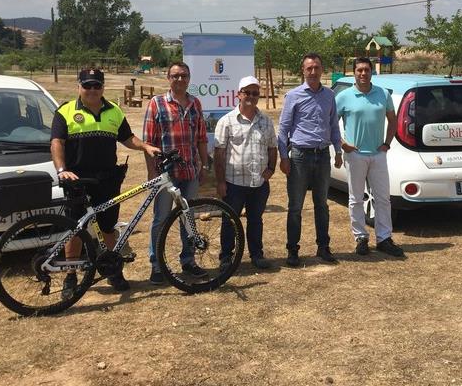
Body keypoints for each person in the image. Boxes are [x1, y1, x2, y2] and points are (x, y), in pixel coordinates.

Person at [52, 68, 160, 298]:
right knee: (75, 230)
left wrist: (145, 146)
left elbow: (127, 138)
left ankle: (112, 270)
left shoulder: (114, 111)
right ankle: (70, 276)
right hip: (77, 180)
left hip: (107, 179)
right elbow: (57, 142)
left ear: (103, 87)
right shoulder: (66, 111)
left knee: (108, 226)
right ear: (79, 86)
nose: (92, 90)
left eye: (96, 85)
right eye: (87, 85)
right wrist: (62, 170)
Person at [143, 62, 209, 284]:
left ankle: (188, 261)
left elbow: (201, 138)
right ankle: (157, 264)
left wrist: (204, 165)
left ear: (189, 78)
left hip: (190, 171)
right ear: (168, 78)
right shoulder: (157, 103)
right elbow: (148, 142)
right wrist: (151, 172)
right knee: (161, 219)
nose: (180, 79)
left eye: (184, 75)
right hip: (165, 175)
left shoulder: (195, 103)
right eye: (175, 76)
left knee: (188, 218)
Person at [336, 57, 405, 258]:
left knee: (383, 198)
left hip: (378, 154)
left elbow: (393, 120)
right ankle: (361, 238)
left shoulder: (383, 94)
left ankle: (384, 238)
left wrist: (387, 144)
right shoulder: (344, 96)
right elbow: (330, 124)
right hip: (355, 155)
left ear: (371, 72)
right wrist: (342, 144)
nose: (363, 73)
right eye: (359, 70)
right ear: (354, 72)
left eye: (366, 70)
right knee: (356, 199)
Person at [277, 52, 342, 266]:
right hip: (299, 157)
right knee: (295, 206)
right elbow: (283, 129)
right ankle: (292, 250)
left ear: (322, 70)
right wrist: (284, 157)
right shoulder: (293, 96)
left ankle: (323, 247)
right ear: (303, 71)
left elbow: (333, 126)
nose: (313, 72)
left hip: (322, 155)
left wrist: (338, 151)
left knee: (321, 204)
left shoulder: (329, 95)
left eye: (317, 67)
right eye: (309, 68)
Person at [214, 76, 277, 269]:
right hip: (233, 183)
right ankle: (226, 257)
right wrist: (220, 182)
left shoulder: (266, 121)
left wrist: (271, 169)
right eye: (247, 92)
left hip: (258, 183)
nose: (251, 96)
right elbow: (219, 153)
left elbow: (272, 147)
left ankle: (257, 255)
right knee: (229, 221)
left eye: (255, 93)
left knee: (256, 221)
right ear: (239, 95)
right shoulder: (226, 121)